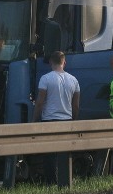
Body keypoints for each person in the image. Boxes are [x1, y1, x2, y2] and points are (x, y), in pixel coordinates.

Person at [33, 51, 80, 184]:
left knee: (50, 155)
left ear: (50, 63)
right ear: (64, 62)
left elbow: (40, 102)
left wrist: (35, 121)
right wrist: (74, 121)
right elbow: (76, 106)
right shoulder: (74, 80)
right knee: (65, 154)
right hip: (67, 120)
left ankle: (51, 182)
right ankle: (66, 180)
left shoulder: (45, 79)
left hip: (49, 120)